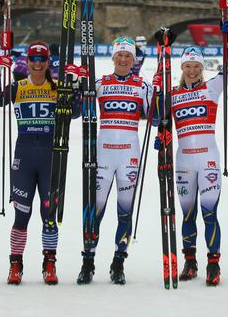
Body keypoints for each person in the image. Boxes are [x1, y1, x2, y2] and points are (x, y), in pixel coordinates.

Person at [0, 42, 80, 285]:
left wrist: (75, 85)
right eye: (33, 59)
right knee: (22, 215)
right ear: (28, 62)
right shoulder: (19, 86)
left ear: (48, 62)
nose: (38, 64)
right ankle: (15, 264)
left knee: (48, 215)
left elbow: (75, 112)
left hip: (50, 157)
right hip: (24, 157)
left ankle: (49, 263)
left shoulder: (57, 88)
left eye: (42, 59)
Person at [76, 36, 153, 285]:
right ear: (112, 58)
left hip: (129, 153)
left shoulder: (142, 85)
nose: (123, 59)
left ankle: (118, 262)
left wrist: (158, 94)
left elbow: (157, 116)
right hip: (103, 154)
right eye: (119, 55)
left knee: (125, 212)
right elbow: (79, 109)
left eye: (127, 56)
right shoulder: (100, 83)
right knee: (94, 211)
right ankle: (88, 262)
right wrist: (76, 83)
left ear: (133, 59)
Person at [168, 20, 228, 286]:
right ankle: (190, 261)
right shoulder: (172, 94)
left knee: (209, 213)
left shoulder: (212, 88)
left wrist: (227, 40)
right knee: (187, 214)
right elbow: (154, 117)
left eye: (197, 66)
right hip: (184, 161)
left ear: (202, 68)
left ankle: (214, 264)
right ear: (181, 68)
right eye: (188, 66)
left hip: (207, 159)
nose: (193, 71)